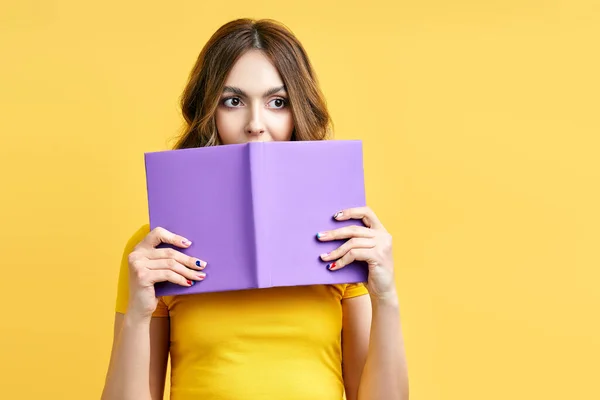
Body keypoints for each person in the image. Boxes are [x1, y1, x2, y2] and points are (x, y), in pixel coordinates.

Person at [101, 18, 408, 400]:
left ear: (300, 112)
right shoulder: (159, 246)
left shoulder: (342, 234)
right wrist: (136, 315)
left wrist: (386, 297)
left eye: (277, 102)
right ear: (207, 111)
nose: (255, 125)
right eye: (233, 101)